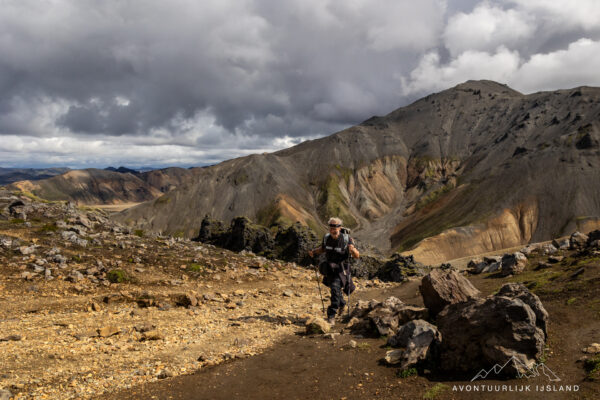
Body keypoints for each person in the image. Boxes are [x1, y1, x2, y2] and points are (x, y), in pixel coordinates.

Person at [308, 217, 360, 325]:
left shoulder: (347, 239)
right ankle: (342, 304)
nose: (333, 229)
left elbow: (357, 256)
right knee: (334, 289)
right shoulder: (327, 238)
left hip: (341, 270)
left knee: (335, 289)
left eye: (335, 226)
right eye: (331, 226)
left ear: (340, 227)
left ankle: (331, 314)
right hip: (329, 268)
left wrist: (353, 250)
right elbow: (323, 248)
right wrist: (314, 251)